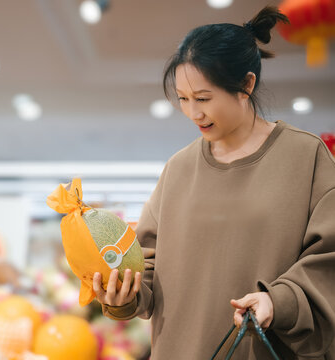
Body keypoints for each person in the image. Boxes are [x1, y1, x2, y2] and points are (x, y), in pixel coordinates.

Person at [92, 6, 335, 359]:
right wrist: (124, 295)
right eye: (184, 99)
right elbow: (146, 266)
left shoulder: (305, 156)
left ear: (246, 84)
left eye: (204, 99)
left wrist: (277, 301)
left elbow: (329, 258)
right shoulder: (178, 169)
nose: (193, 113)